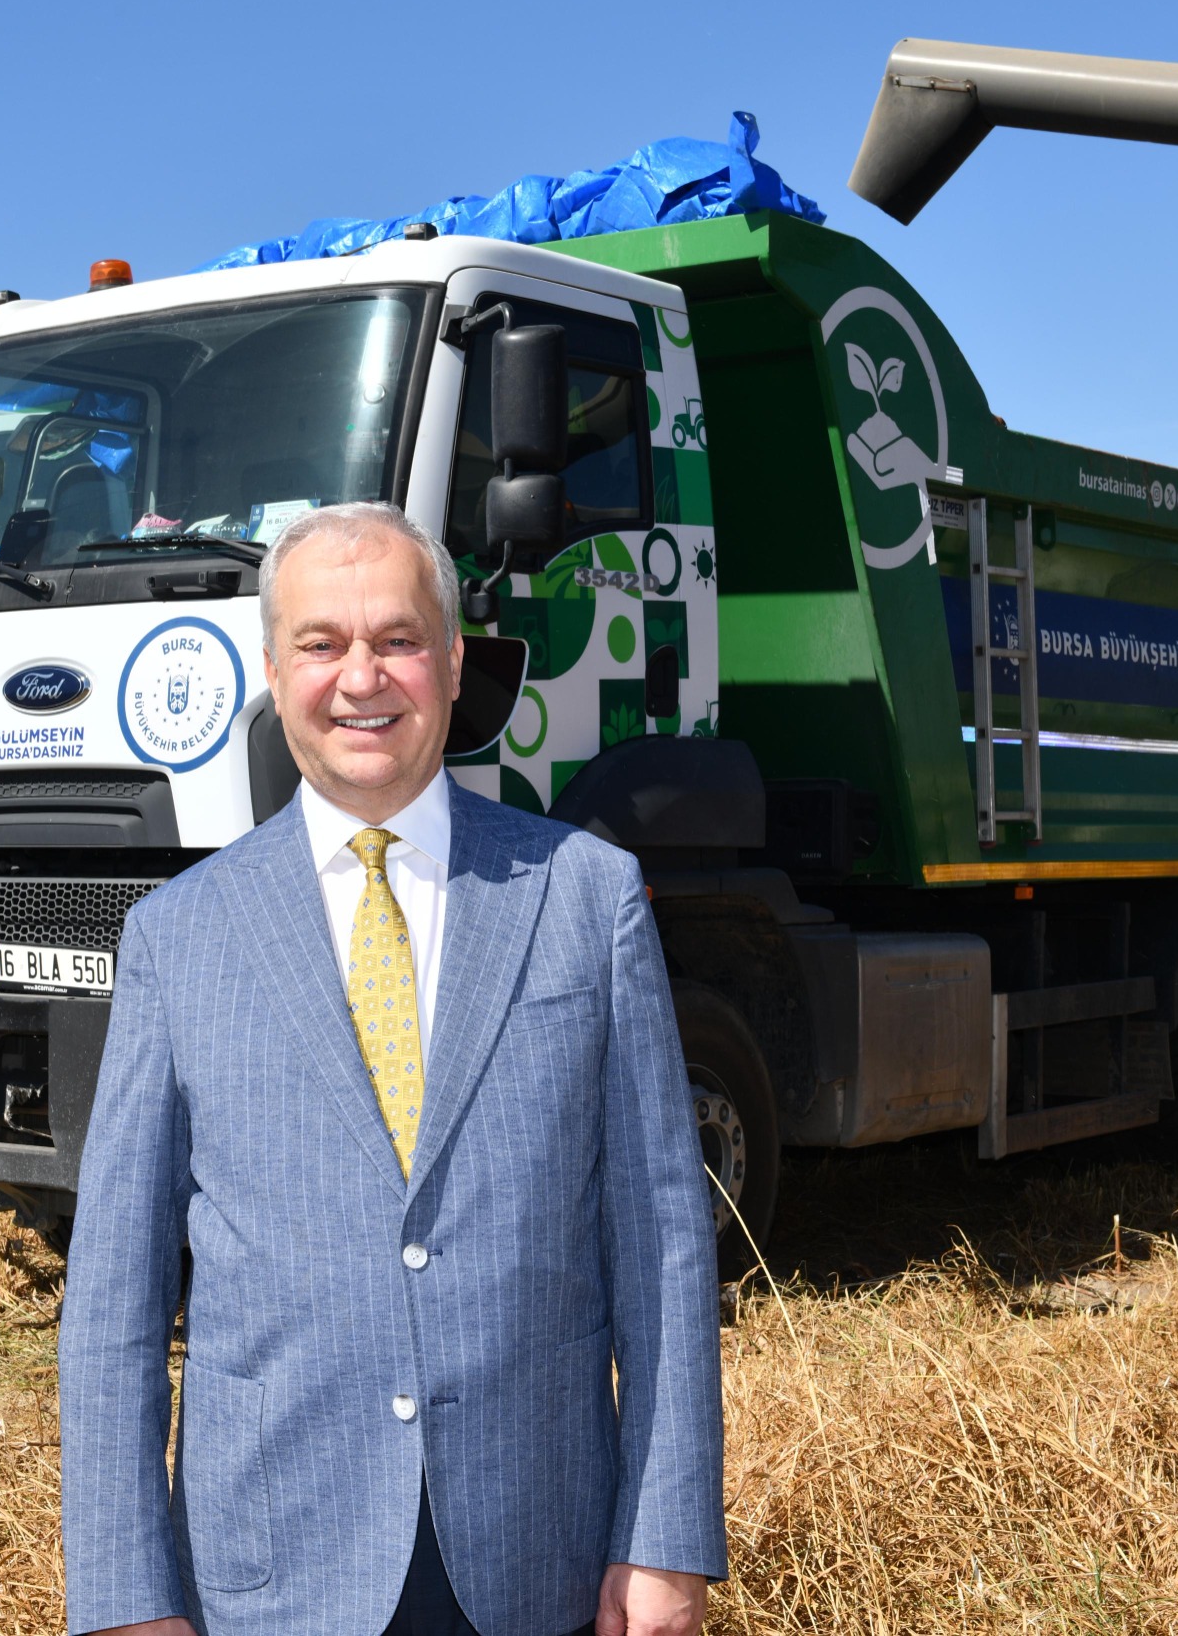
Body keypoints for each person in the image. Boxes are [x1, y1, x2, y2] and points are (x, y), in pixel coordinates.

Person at [60, 502, 726, 1636]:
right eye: (320, 643)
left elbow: (661, 1243)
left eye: (397, 639)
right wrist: (125, 1595)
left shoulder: (584, 895)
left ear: (455, 660)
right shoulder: (179, 934)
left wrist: (662, 1533)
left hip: (537, 1557)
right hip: (271, 1569)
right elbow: (116, 1302)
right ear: (273, 668)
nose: (360, 677)